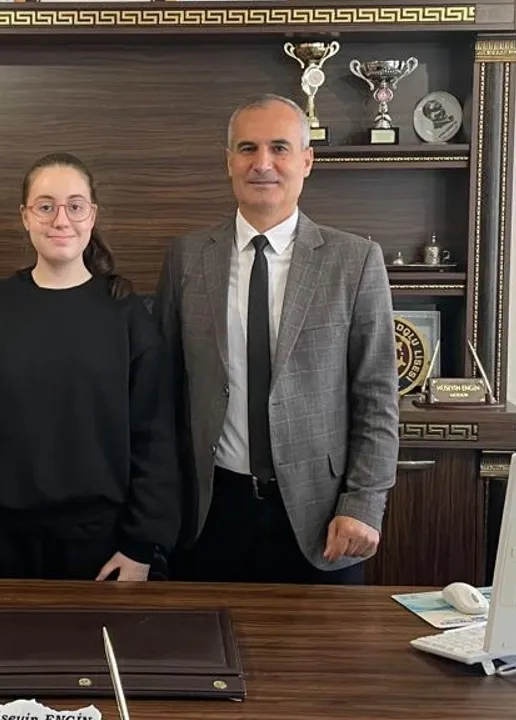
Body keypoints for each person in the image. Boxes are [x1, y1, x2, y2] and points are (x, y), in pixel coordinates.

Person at [154, 94, 400, 585]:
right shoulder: (187, 257)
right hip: (208, 516)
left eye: (279, 148)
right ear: (229, 161)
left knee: (320, 640)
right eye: (247, 148)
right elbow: (163, 393)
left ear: (306, 161)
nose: (262, 163)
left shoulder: (354, 261)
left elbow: (376, 397)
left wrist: (364, 503)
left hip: (323, 518)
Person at [0, 152, 179, 582]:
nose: (61, 220)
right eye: (45, 206)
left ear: (92, 215)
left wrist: (141, 543)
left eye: (75, 206)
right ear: (25, 216)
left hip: (102, 545)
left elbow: (156, 439)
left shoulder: (128, 315)